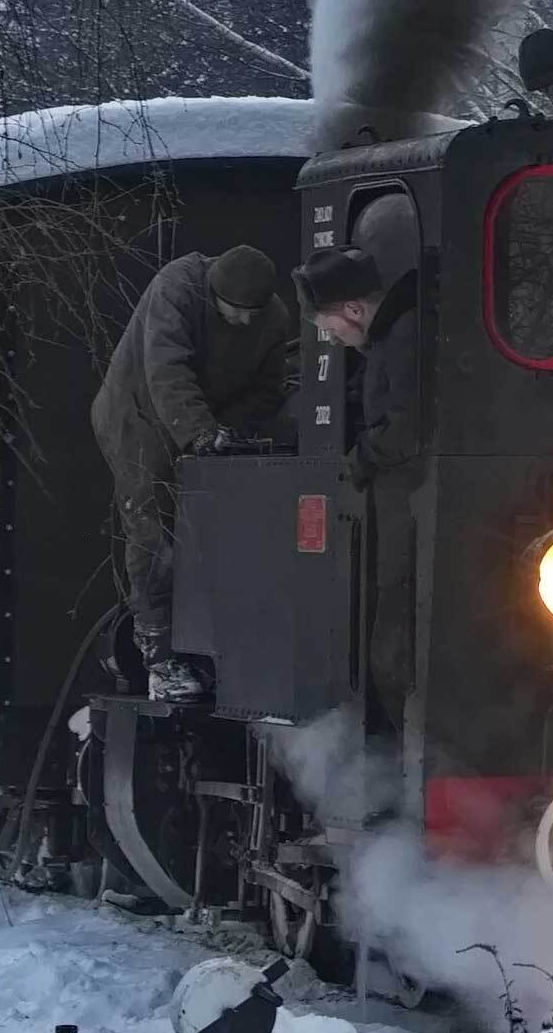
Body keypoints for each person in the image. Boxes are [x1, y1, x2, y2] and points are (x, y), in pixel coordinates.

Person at [91, 245, 293, 701]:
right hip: (138, 414)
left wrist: (228, 434)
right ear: (212, 295)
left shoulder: (273, 317)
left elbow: (268, 387)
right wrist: (200, 433)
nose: (244, 322)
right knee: (152, 527)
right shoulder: (177, 287)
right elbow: (167, 369)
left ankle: (218, 640)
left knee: (217, 528)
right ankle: (159, 657)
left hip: (208, 419)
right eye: (234, 312)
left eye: (252, 314)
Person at [293, 244, 420, 738]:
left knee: (392, 644)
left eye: (331, 328)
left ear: (354, 309)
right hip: (399, 510)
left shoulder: (405, 338)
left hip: (406, 511)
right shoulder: (394, 336)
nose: (336, 340)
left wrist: (359, 458)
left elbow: (407, 430)